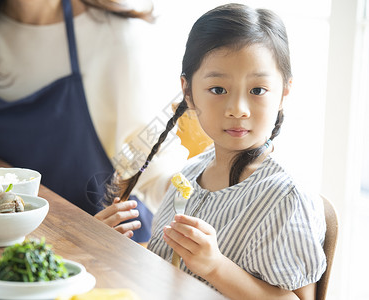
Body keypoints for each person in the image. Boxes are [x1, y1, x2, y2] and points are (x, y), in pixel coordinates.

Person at [97, 3, 327, 299]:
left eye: (257, 90)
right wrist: (113, 249)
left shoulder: (288, 198)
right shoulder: (190, 175)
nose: (238, 109)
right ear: (188, 93)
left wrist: (216, 266)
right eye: (218, 90)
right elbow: (167, 275)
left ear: (284, 91)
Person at [0, 0, 188, 242]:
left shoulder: (117, 35)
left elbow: (154, 162)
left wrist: (196, 197)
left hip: (102, 242)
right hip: (0, 237)